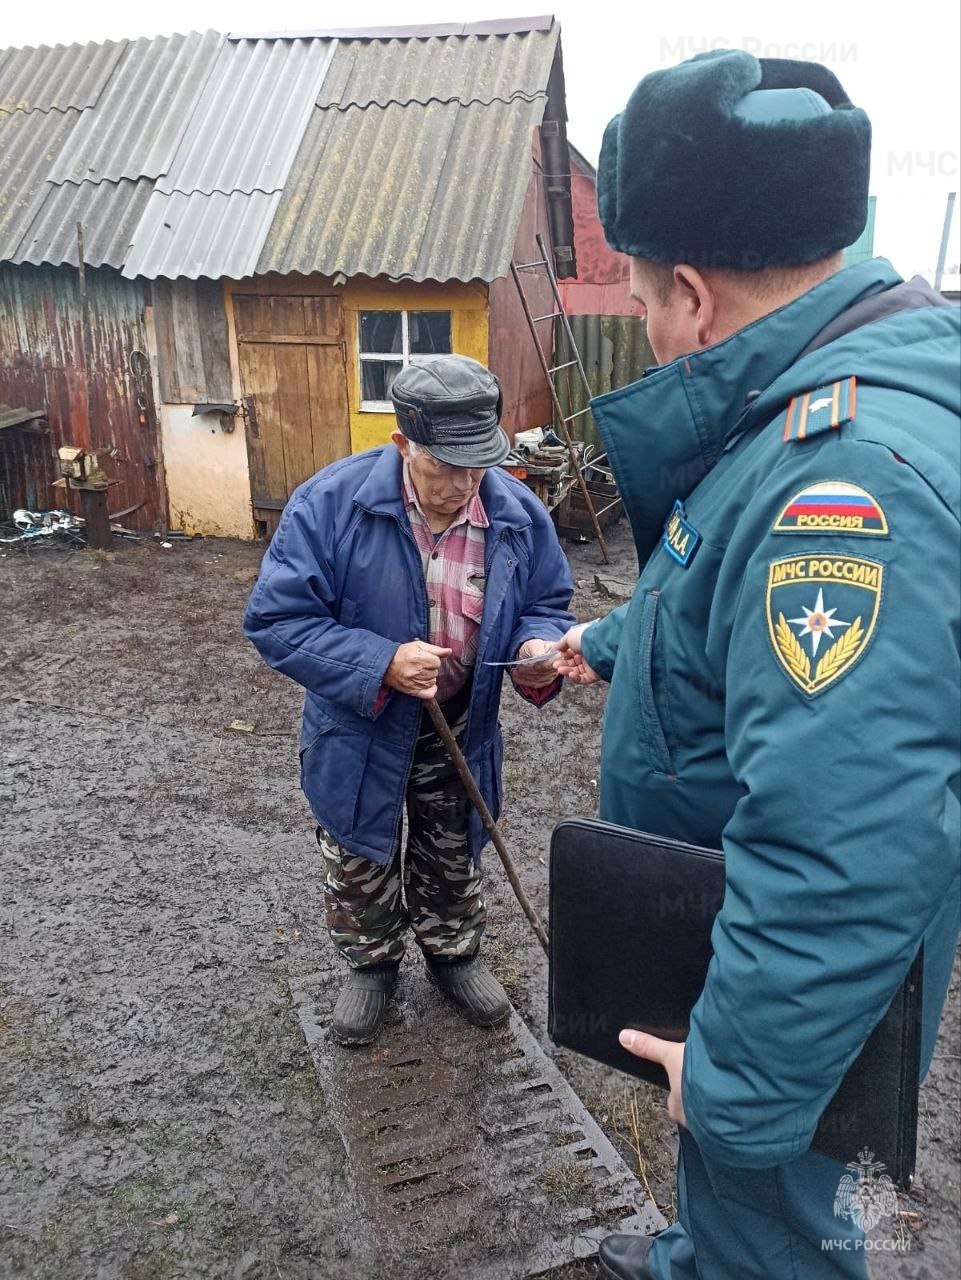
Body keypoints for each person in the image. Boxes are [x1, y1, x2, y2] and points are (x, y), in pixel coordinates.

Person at [554, 49, 961, 1280]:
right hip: (738, 946)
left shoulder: (842, 487)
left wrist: (733, 1079)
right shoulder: (817, 399)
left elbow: (846, 848)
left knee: (774, 1217)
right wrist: (605, 641)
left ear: (691, 291)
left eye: (636, 298)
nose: (642, 323)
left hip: (778, 981)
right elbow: (719, 601)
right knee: (735, 1210)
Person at [244, 354, 574, 1046]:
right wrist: (381, 661)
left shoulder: (514, 513)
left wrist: (539, 652)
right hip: (360, 726)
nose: (462, 486)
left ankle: (454, 955)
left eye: (476, 466)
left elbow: (544, 601)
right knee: (359, 852)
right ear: (403, 445)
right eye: (443, 468)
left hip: (462, 721)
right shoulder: (328, 505)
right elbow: (274, 622)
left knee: (452, 848)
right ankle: (370, 967)